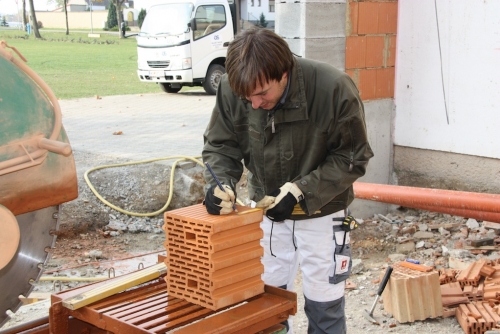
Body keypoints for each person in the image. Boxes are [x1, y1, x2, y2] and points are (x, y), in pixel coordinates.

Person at [202, 27, 373, 334]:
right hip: (265, 214)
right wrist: (221, 183)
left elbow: (352, 157)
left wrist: (300, 190)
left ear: (283, 73)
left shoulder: (333, 88)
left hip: (323, 213)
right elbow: (220, 145)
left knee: (325, 307)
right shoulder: (233, 87)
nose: (254, 104)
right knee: (265, 306)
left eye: (262, 94)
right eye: (246, 97)